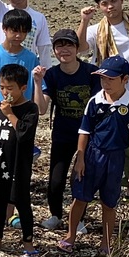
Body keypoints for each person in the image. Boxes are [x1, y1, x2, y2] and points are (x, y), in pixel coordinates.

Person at [59, 56, 129, 256]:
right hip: (92, 155)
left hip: (116, 158)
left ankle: (106, 242)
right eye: (102, 79)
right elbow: (84, 131)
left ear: (125, 79)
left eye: (111, 79)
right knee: (80, 198)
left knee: (109, 202)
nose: (106, 83)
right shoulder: (94, 102)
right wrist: (80, 159)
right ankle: (70, 235)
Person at [77, 0, 129, 203]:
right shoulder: (96, 29)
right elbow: (80, 48)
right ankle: (100, 182)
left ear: (121, 1)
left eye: (113, 1)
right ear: (99, 6)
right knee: (103, 140)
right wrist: (84, 20)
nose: (110, 7)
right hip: (104, 94)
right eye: (104, 4)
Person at [32, 29, 100, 230]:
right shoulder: (52, 75)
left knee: (80, 178)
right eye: (59, 46)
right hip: (62, 134)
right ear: (54, 50)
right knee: (55, 179)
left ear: (77, 48)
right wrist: (37, 82)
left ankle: (78, 219)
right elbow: (42, 110)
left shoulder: (91, 73)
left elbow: (98, 107)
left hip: (87, 136)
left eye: (69, 45)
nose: (64, 49)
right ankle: (55, 215)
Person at [0, 65, 40, 257]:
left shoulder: (30, 109)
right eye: (2, 87)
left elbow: (24, 134)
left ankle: (28, 243)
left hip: (18, 166)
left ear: (22, 87)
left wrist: (11, 114)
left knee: (22, 203)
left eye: (10, 88)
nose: (5, 92)